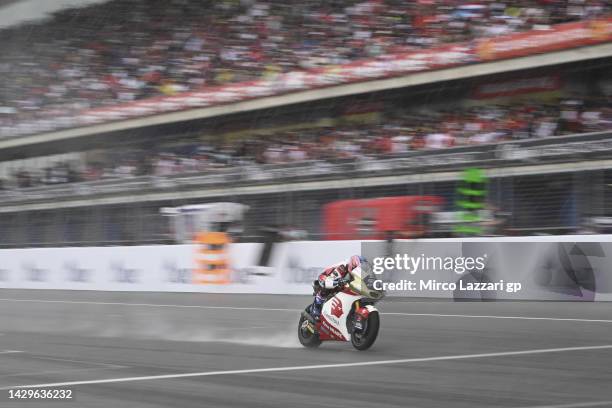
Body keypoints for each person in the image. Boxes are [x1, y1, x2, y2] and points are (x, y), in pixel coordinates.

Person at [309, 255, 366, 320]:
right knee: (328, 287)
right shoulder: (342, 267)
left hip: (340, 281)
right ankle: (316, 307)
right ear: (352, 264)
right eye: (355, 267)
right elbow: (330, 280)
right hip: (326, 278)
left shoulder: (356, 272)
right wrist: (339, 282)